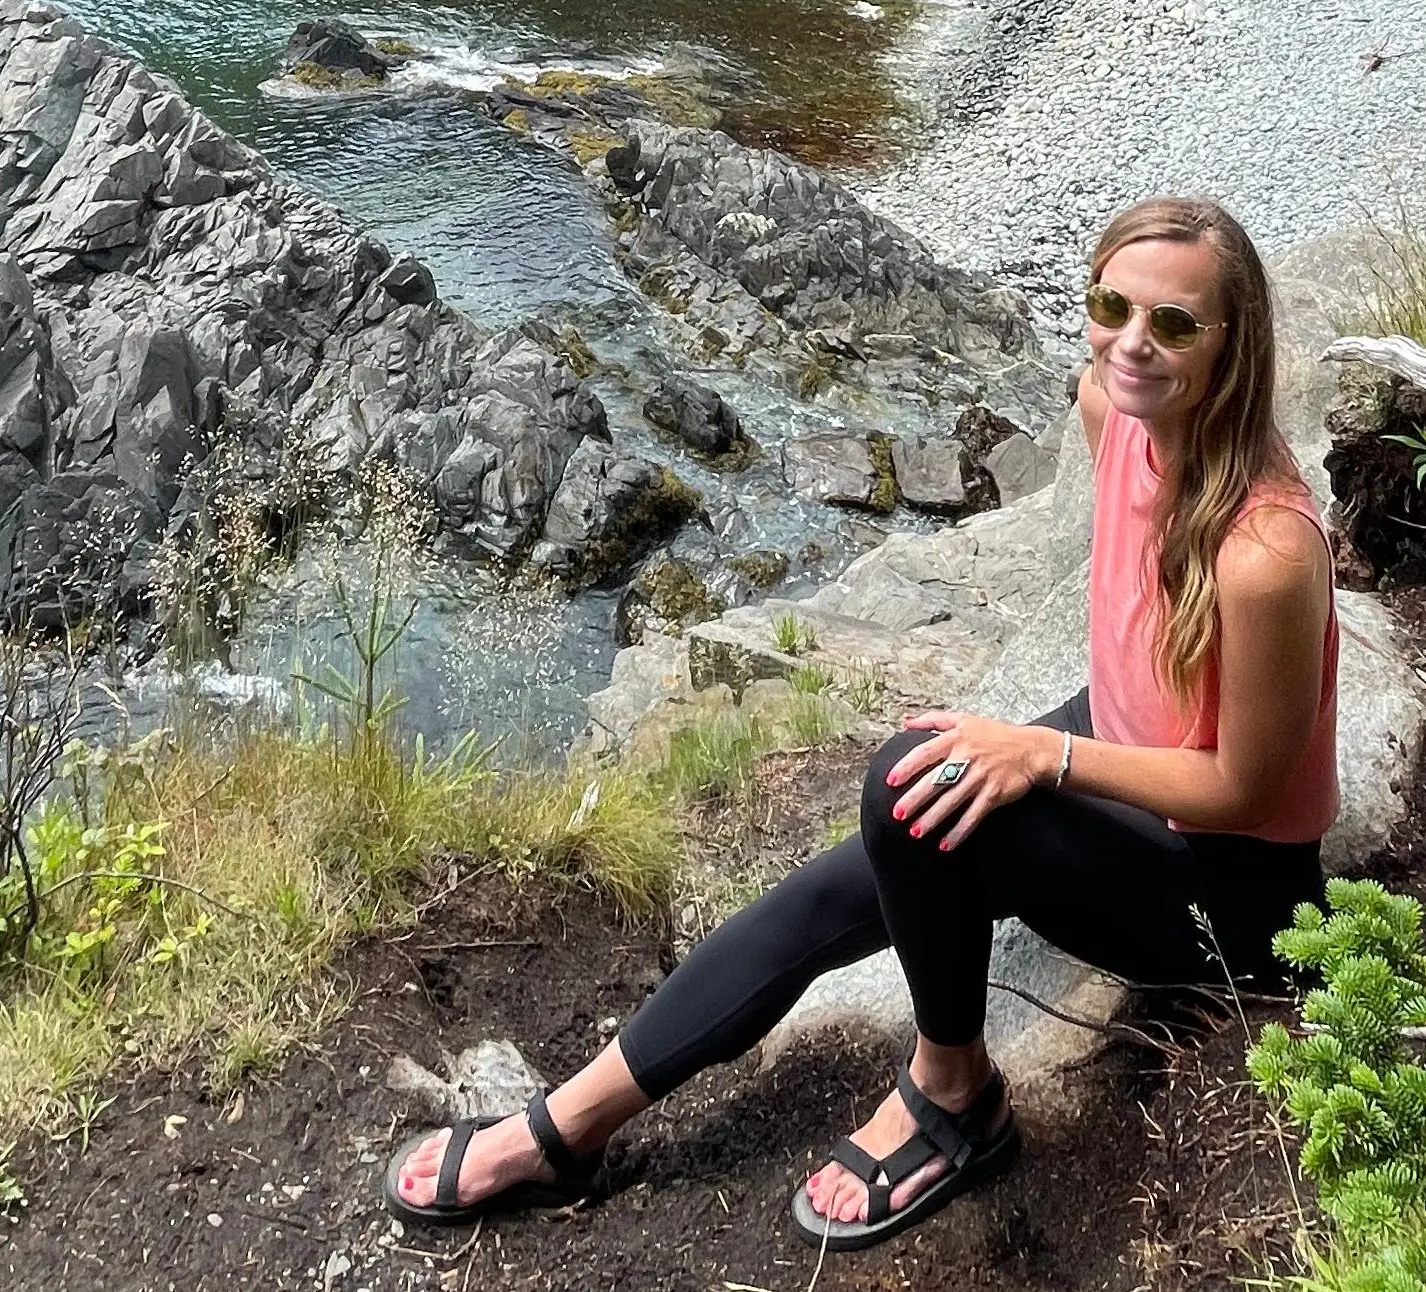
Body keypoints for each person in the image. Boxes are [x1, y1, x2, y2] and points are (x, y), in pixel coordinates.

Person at [383, 196, 1340, 1252]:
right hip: (1124, 761)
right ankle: (569, 1126)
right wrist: (1044, 753)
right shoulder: (1108, 415)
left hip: (1231, 894)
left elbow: (1246, 791)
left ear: (1231, 343)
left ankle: (956, 1092)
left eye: (1174, 324)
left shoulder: (1267, 552)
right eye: (1112, 305)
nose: (1131, 343)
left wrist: (1046, 753)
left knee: (908, 791)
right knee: (863, 860)